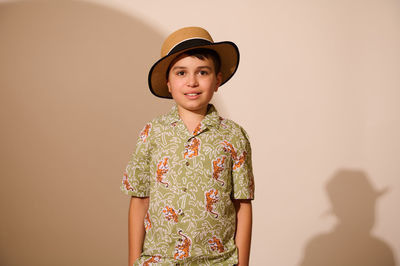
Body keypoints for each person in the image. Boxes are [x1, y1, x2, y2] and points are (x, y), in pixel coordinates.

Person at [121, 26, 255, 266]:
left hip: (218, 261)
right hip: (160, 261)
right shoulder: (152, 134)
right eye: (181, 73)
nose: (192, 81)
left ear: (217, 80)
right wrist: (133, 261)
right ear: (169, 83)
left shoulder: (234, 136)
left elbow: (241, 205)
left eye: (202, 72)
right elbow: (140, 200)